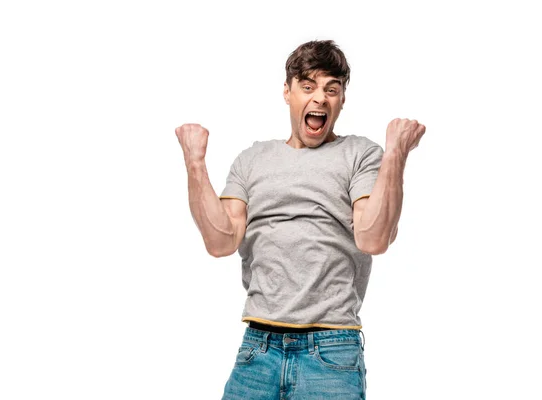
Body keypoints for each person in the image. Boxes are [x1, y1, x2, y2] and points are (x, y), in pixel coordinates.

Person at [175, 40, 425, 399]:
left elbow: (373, 238)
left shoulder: (360, 154)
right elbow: (221, 241)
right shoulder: (252, 159)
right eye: (308, 86)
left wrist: (396, 153)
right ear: (288, 93)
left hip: (331, 348)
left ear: (341, 99)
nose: (320, 98)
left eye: (331, 89)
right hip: (257, 346)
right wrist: (195, 162)